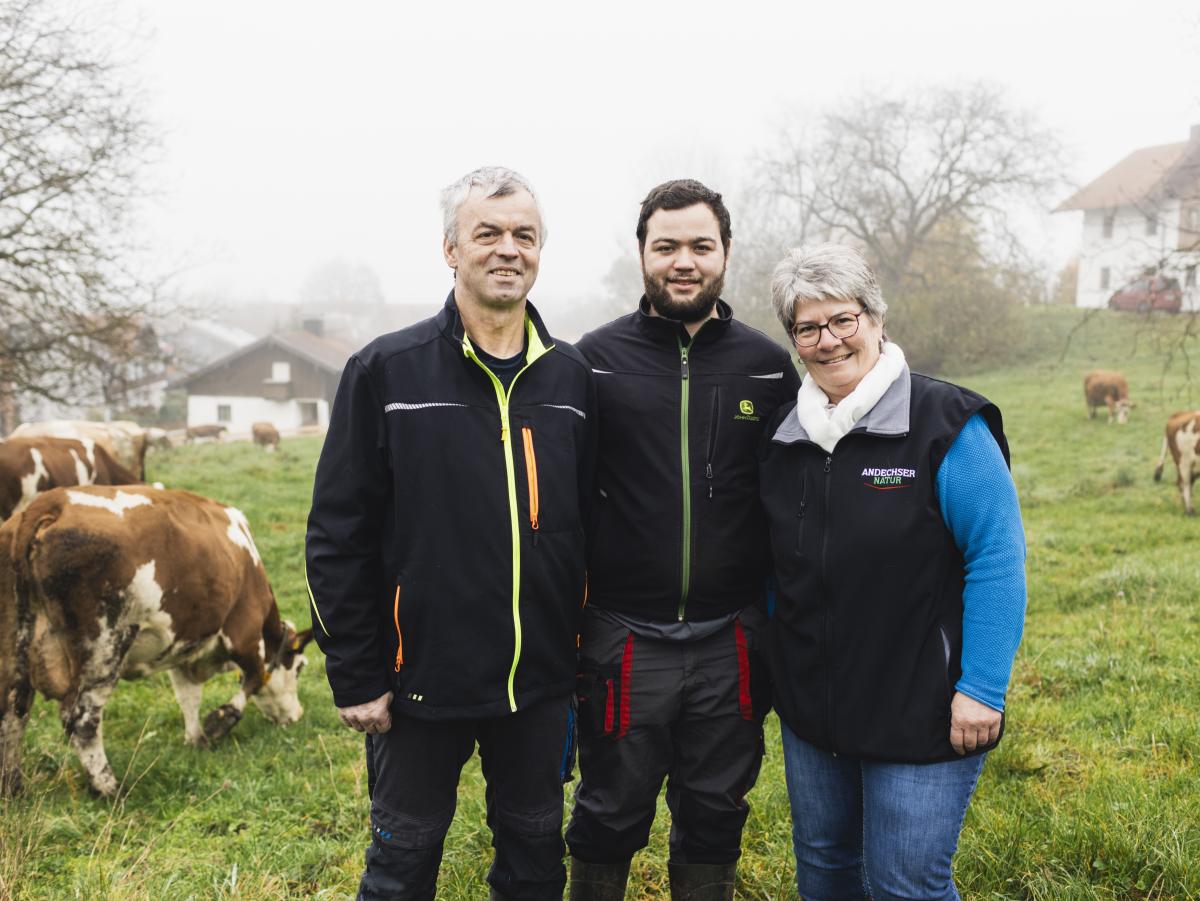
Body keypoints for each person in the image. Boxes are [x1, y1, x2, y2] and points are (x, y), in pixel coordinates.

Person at [305, 166, 597, 901]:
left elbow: (592, 526)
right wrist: (357, 672)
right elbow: (336, 532)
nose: (508, 249)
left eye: (523, 235)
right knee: (402, 864)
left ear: (539, 250)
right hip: (415, 684)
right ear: (450, 250)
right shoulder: (385, 371)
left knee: (534, 859)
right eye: (487, 233)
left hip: (537, 685)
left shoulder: (572, 380)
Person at [758, 243, 1027, 900]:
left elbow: (998, 557)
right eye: (808, 327)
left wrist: (983, 688)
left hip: (924, 705)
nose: (828, 340)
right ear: (793, 339)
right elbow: (774, 566)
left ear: (876, 318)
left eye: (843, 319)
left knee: (905, 883)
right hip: (814, 710)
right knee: (824, 870)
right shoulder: (786, 435)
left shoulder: (945, 424)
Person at [565, 179, 800, 900]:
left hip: (730, 639)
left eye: (701, 245)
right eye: (666, 246)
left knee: (715, 813)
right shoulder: (592, 361)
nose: (684, 261)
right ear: (642, 254)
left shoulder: (767, 364)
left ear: (726, 252)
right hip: (622, 637)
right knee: (608, 811)